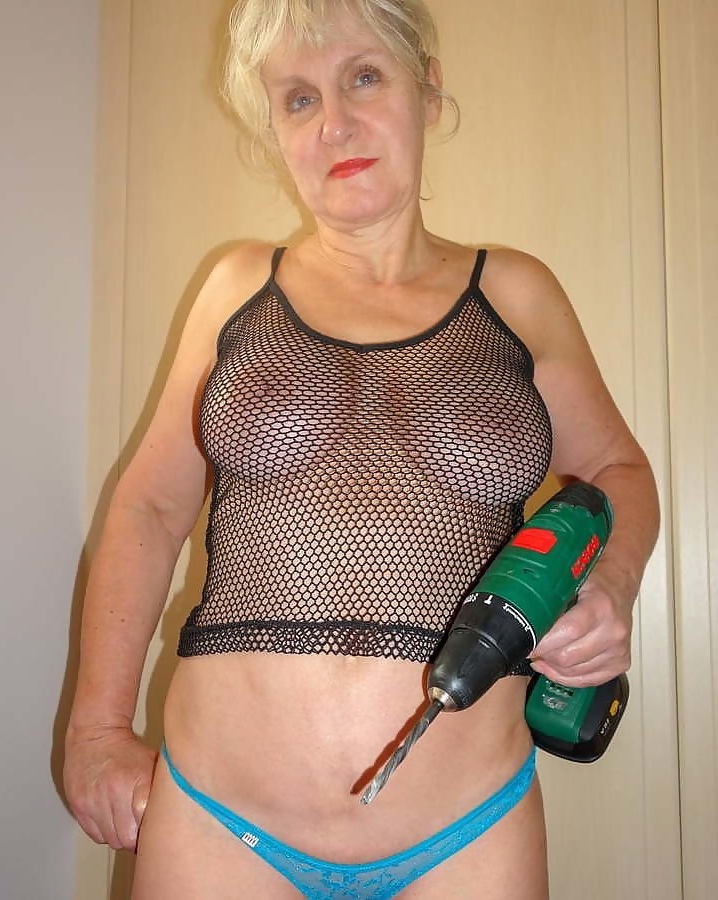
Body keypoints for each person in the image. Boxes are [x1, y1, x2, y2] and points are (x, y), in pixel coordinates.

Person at [63, 1, 659, 897]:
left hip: (468, 828)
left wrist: (612, 583)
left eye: (364, 78)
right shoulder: (235, 289)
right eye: (299, 99)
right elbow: (148, 506)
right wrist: (97, 728)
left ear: (428, 89)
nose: (334, 124)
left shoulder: (517, 293)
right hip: (221, 820)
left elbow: (621, 472)